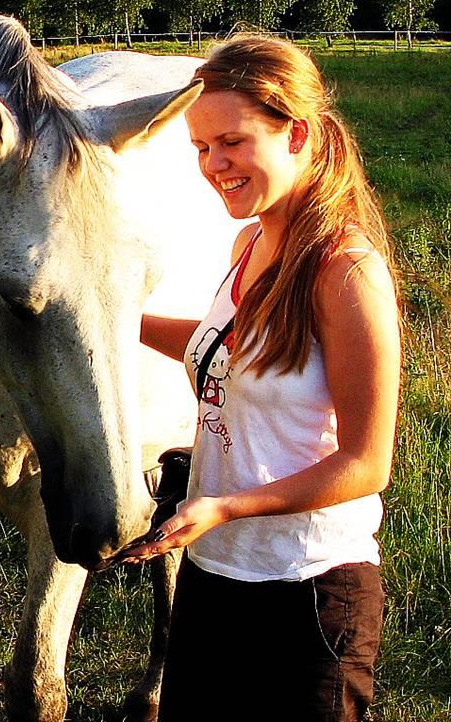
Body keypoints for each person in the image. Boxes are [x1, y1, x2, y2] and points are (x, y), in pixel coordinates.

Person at [124, 36, 401, 722]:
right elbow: (229, 352)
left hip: (307, 595)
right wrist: (114, 315)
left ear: (296, 133)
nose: (213, 165)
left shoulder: (345, 272)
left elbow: (367, 463)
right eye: (200, 147)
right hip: (214, 575)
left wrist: (226, 506)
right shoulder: (250, 244)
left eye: (232, 141)